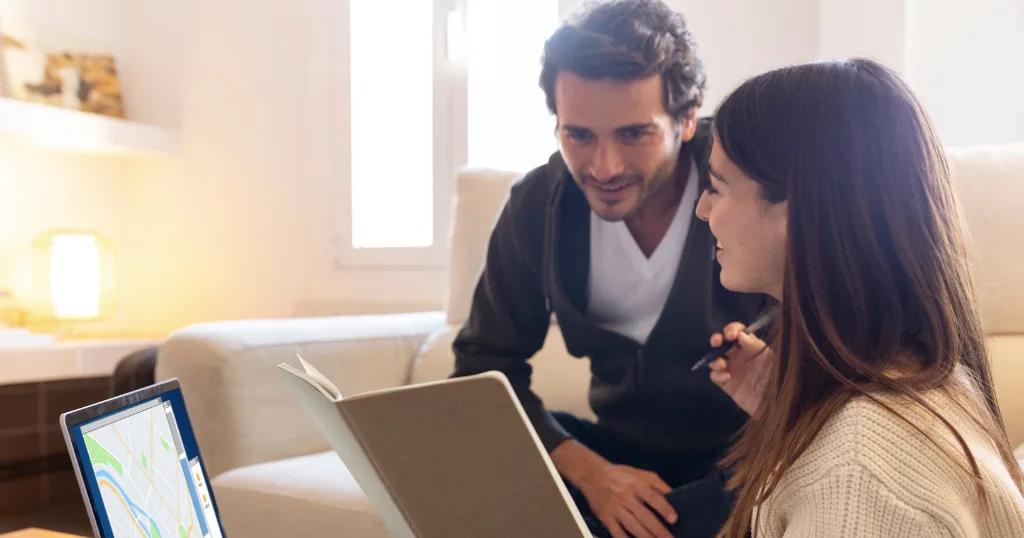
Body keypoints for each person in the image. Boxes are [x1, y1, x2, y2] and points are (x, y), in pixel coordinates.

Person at [451, 1, 765, 536]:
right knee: (458, 455)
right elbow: (483, 368)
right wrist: (592, 474)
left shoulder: (751, 184)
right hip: (615, 453)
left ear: (686, 120)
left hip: (740, 460)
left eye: (633, 134)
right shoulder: (535, 206)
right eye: (579, 135)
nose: (604, 168)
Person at [696, 58, 1024, 537]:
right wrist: (783, 405)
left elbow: (861, 484)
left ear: (796, 210)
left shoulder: (860, 474)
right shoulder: (916, 385)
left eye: (717, 187)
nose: (704, 209)